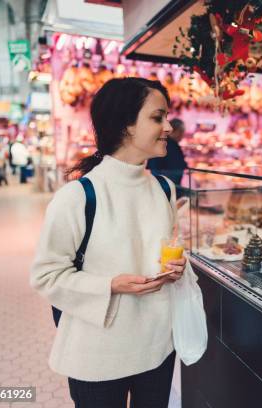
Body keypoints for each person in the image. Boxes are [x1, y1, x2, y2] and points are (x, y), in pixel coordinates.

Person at [30, 77, 186, 408]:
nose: (169, 126)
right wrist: (111, 285)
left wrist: (176, 267)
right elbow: (46, 276)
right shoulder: (77, 197)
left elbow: (162, 252)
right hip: (97, 356)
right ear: (126, 125)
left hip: (157, 348)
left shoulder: (163, 189)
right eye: (157, 117)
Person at [146, 118, 187, 186]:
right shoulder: (167, 145)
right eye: (181, 132)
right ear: (175, 131)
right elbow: (177, 166)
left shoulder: (165, 142)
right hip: (166, 185)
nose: (182, 135)